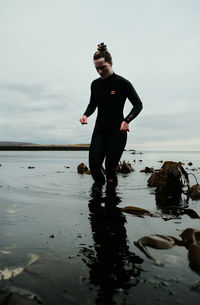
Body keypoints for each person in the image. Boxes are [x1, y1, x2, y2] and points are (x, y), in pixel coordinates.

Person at [80, 42, 143, 188]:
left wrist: (127, 120)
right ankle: (97, 202)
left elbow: (138, 105)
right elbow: (92, 104)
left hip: (117, 131)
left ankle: (112, 205)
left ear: (111, 63)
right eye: (97, 68)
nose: (100, 71)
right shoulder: (95, 84)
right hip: (99, 131)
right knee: (95, 167)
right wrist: (85, 115)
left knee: (110, 169)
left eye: (103, 67)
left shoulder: (123, 83)